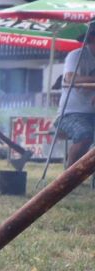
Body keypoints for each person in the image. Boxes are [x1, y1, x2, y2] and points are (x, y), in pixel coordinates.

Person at [56, 21, 95, 168]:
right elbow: (70, 78)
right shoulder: (76, 56)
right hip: (70, 114)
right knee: (85, 135)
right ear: (91, 39)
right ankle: (68, 177)